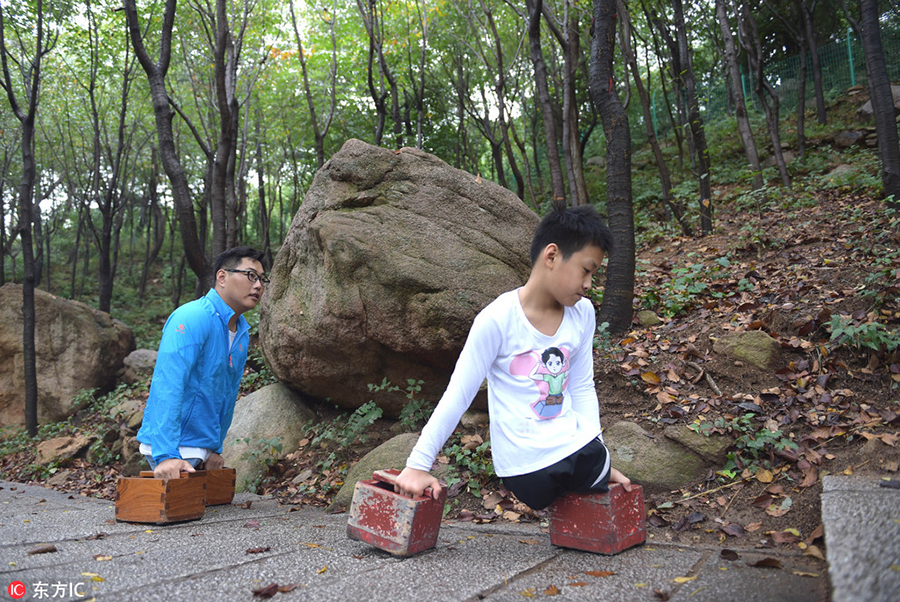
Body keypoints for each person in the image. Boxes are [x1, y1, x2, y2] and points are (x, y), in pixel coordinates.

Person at [394, 206, 631, 511]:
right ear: (552, 256)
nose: (589, 284)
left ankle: (594, 465)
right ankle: (592, 467)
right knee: (587, 466)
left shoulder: (582, 313)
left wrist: (596, 449)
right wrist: (417, 464)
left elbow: (582, 386)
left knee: (594, 460)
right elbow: (459, 394)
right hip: (526, 469)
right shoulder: (497, 319)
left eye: (594, 274)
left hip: (578, 451)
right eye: (586, 270)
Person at [137, 246, 268, 480]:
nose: (258, 285)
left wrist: (214, 449)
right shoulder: (193, 316)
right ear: (222, 277)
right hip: (174, 449)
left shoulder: (242, 331)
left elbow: (227, 394)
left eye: (261, 279)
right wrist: (166, 455)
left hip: (201, 451)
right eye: (250, 275)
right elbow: (168, 384)